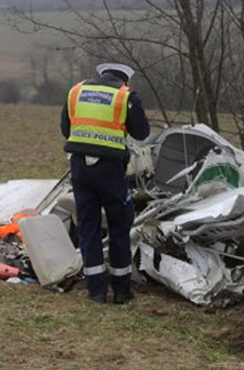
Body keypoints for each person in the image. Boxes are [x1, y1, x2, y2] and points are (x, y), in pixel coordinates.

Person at [61, 63, 150, 304]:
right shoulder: (125, 96)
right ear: (125, 80)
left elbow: (65, 129)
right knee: (119, 224)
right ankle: (121, 290)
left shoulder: (76, 92)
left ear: (102, 75)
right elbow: (141, 133)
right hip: (110, 169)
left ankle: (96, 290)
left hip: (80, 167)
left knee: (87, 227)